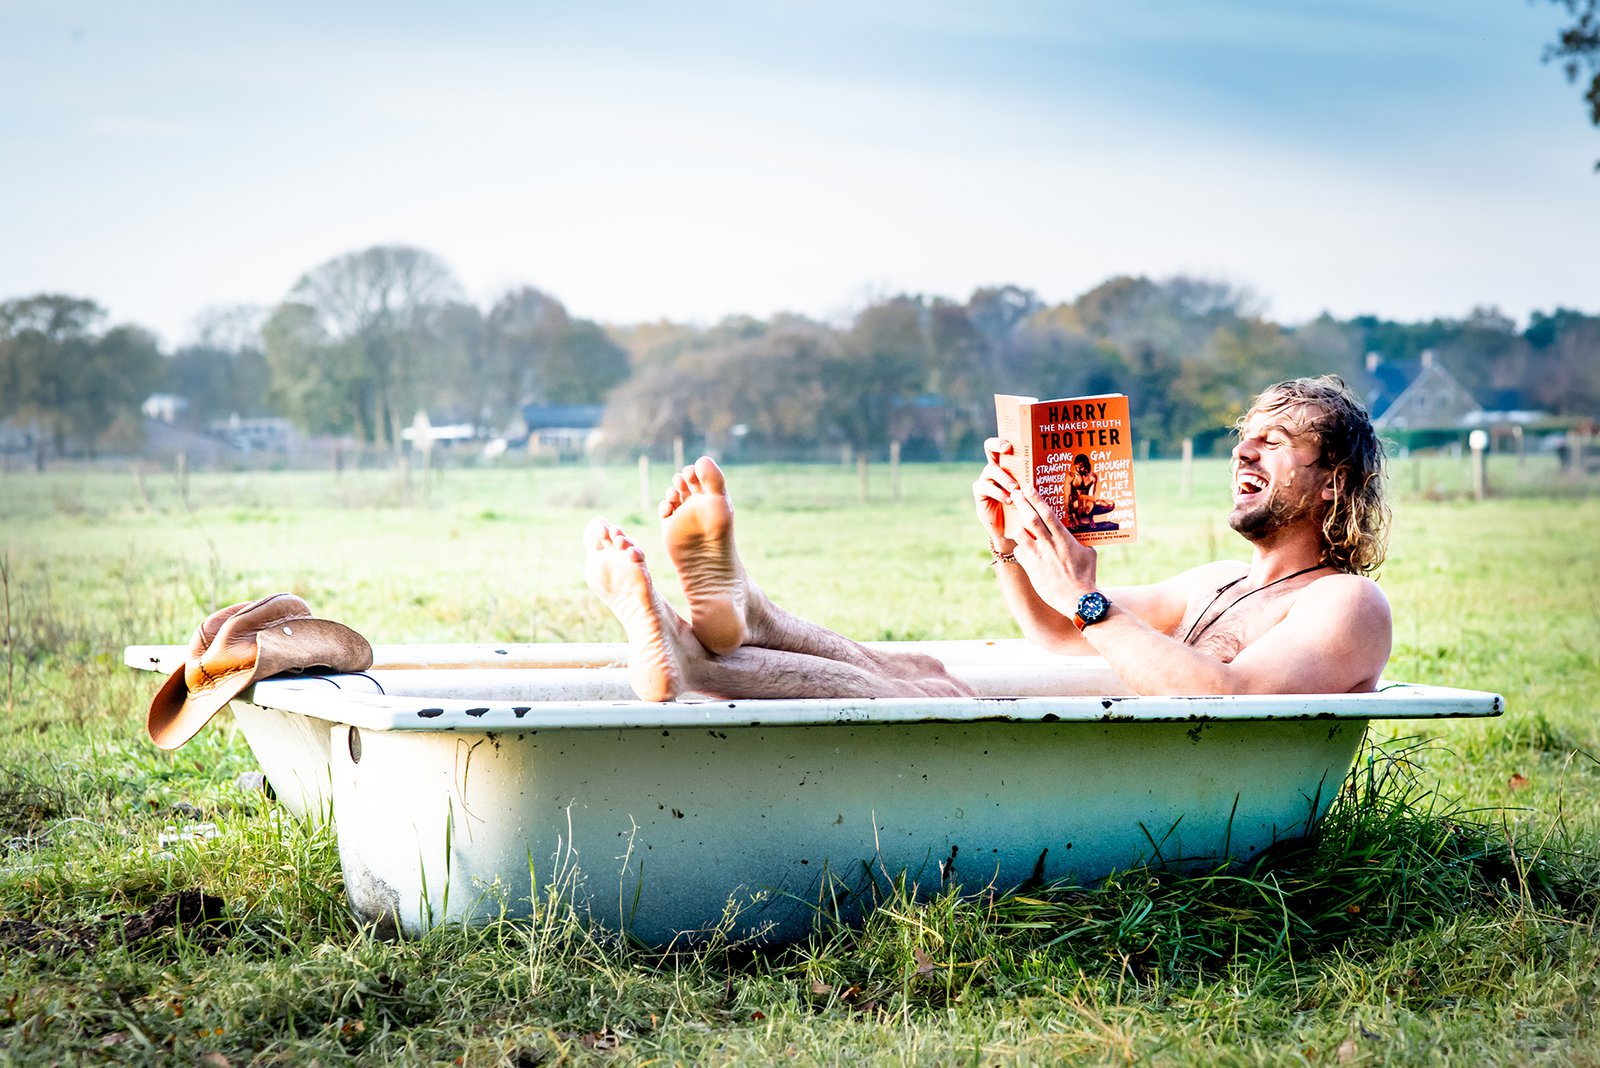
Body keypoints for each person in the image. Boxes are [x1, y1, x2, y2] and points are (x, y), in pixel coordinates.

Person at [585, 375, 1391, 700]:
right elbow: (1055, 632)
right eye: (1245, 435)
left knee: (929, 700)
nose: (1245, 449)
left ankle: (693, 657)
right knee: (927, 669)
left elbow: (1230, 699)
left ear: (1334, 482)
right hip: (1134, 760)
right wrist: (1010, 546)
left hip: (1185, 803)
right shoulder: (1220, 581)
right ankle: (744, 619)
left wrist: (1086, 594)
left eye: (1276, 441)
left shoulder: (1348, 604)